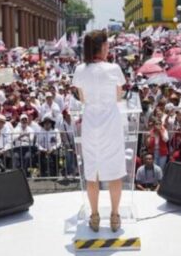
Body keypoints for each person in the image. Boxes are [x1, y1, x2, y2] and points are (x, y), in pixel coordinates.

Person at [71, 30, 127, 233]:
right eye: (107, 44)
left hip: (90, 123)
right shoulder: (114, 69)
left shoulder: (79, 70)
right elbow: (119, 97)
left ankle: (94, 216)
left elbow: (83, 98)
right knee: (114, 173)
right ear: (102, 47)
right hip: (110, 124)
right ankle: (114, 215)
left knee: (92, 173)